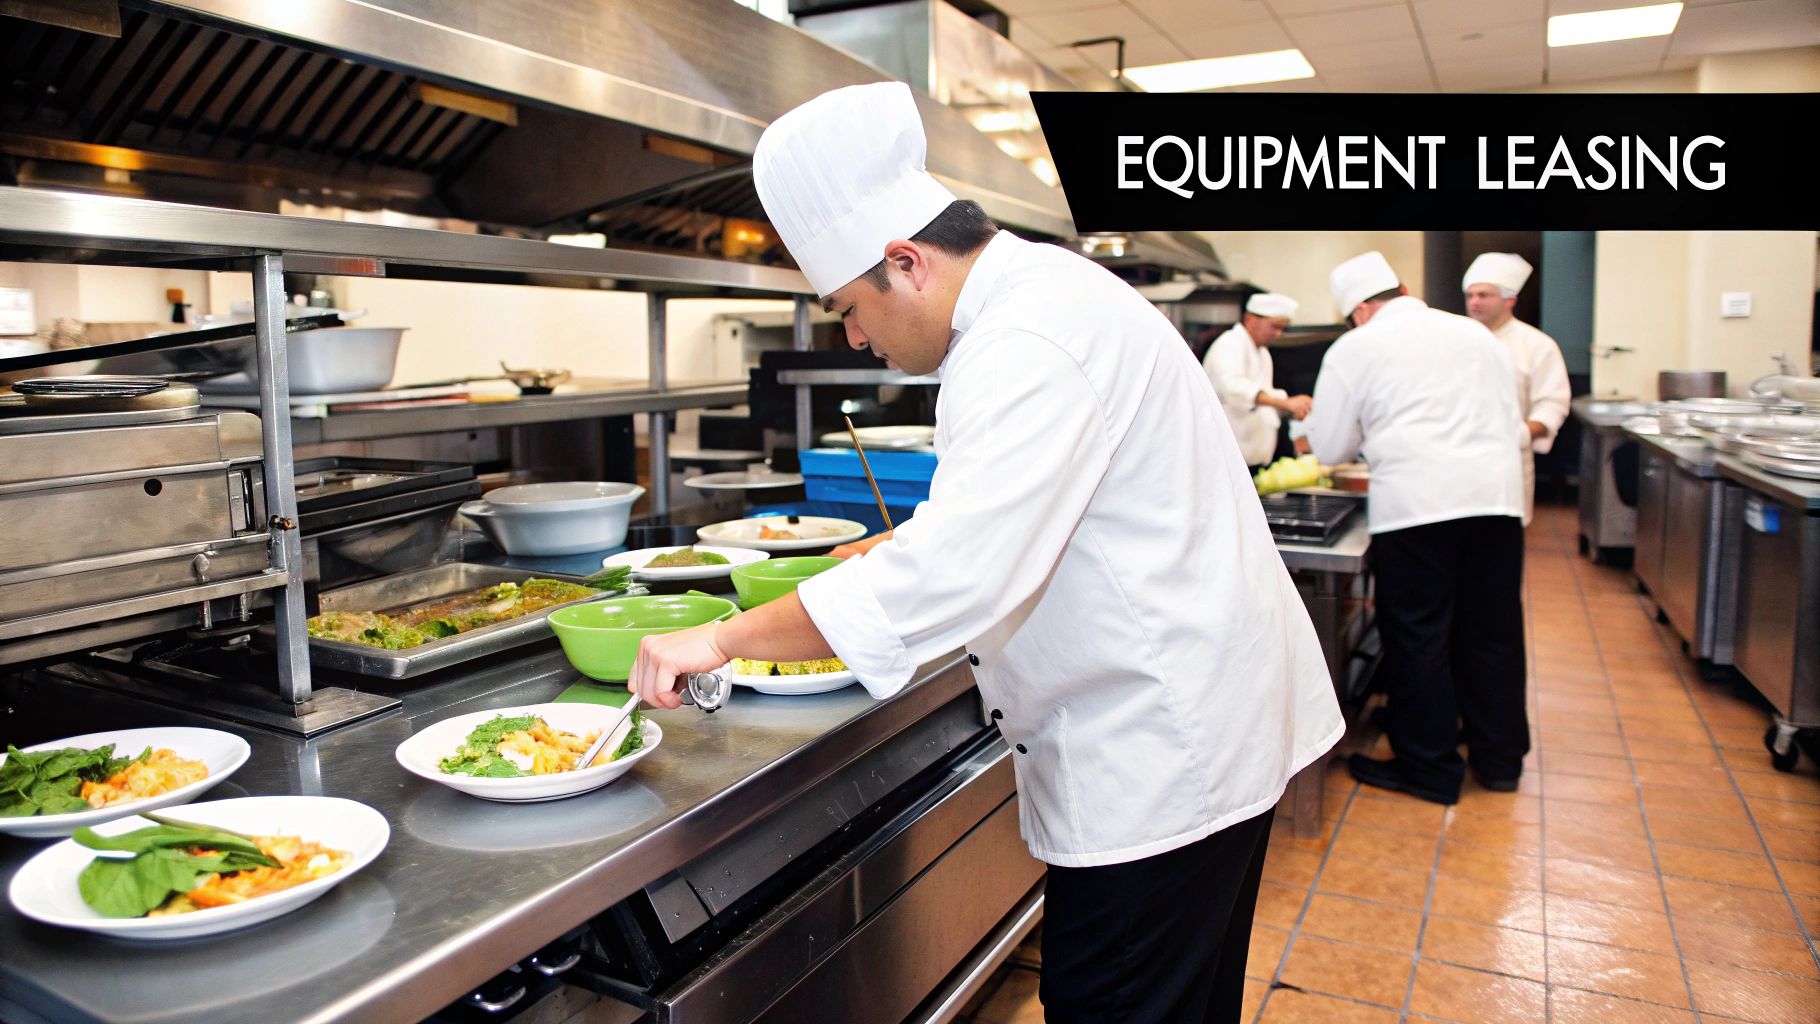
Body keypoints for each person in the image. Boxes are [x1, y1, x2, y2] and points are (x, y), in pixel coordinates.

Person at [628, 82, 1342, 1023]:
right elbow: (1035, 509)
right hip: (1199, 725)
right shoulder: (1046, 295)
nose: (854, 336)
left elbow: (956, 571)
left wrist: (719, 639)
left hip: (1161, 753)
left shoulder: (1025, 338)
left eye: (849, 308)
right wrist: (892, 547)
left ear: (906, 261)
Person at [1308, 251, 1528, 805]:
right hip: (1497, 501)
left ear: (1359, 310)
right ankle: (1499, 762)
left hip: (1417, 507)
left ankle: (1430, 770)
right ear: (1402, 288)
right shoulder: (1476, 336)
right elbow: (1509, 420)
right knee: (1493, 632)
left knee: (1420, 636)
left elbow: (1330, 447)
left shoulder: (1355, 347)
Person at [1462, 252, 1572, 523]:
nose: (1474, 302)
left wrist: (1518, 434)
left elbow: (1552, 404)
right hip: (1458, 461)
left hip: (1508, 462)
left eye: (1484, 295)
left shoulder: (1537, 345)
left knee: (1502, 541)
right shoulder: (1456, 339)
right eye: (1470, 295)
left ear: (1509, 300)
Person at [1203, 293, 1313, 469]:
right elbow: (1233, 388)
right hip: (1228, 460)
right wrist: (1285, 403)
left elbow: (1266, 396)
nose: (1278, 334)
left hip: (1255, 460)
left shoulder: (1262, 353)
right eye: (1274, 326)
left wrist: (1292, 408)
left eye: (1282, 328)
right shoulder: (1228, 344)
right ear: (1250, 319)